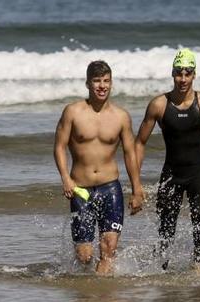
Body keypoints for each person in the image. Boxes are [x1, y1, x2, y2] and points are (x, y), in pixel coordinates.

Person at [133, 48, 200, 269]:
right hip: (171, 175)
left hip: (198, 174)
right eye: (178, 73)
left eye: (187, 73)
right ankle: (161, 270)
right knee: (165, 229)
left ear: (194, 75)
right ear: (172, 74)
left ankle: (198, 266)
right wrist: (136, 183)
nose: (182, 79)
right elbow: (139, 143)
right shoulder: (159, 105)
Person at [54, 60, 144, 275]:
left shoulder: (121, 116)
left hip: (110, 188)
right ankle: (86, 288)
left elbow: (130, 153)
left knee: (109, 248)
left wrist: (137, 188)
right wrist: (65, 177)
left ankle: (101, 298)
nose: (102, 86)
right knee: (84, 255)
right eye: (97, 81)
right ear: (88, 83)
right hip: (81, 190)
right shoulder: (72, 112)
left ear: (111, 83)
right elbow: (59, 147)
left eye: (106, 81)